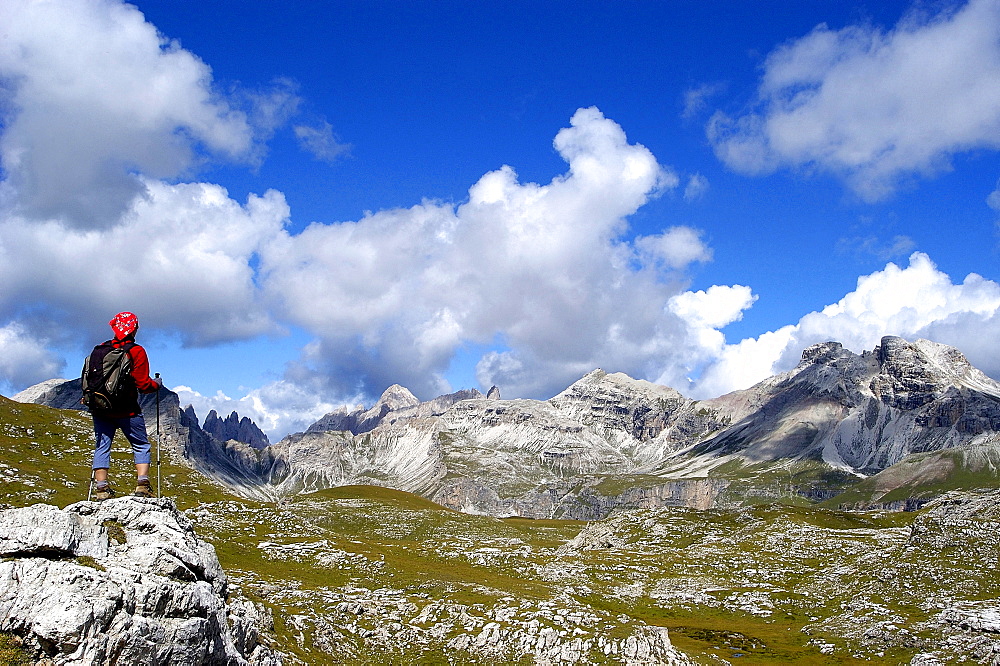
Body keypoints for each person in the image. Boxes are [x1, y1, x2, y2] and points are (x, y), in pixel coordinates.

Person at [86, 312, 162, 499]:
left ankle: (101, 489)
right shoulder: (136, 351)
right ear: (134, 328)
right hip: (127, 409)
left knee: (102, 446)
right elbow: (143, 385)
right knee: (141, 444)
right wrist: (157, 385)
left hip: (101, 407)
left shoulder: (100, 349)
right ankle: (142, 486)